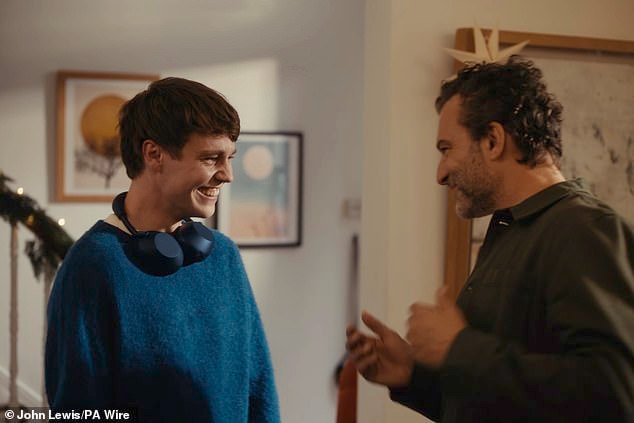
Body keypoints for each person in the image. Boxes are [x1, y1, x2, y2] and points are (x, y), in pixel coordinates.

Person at [346, 57, 634, 422]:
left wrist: (458, 348)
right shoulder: (510, 230)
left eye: (446, 149)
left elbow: (616, 393)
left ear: (493, 141)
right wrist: (413, 377)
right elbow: (494, 402)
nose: (440, 174)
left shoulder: (583, 229)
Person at [46, 77, 280, 422]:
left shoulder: (223, 256)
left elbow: (259, 391)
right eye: (211, 158)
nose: (227, 175)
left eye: (230, 157)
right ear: (154, 154)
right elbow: (79, 411)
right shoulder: (93, 265)